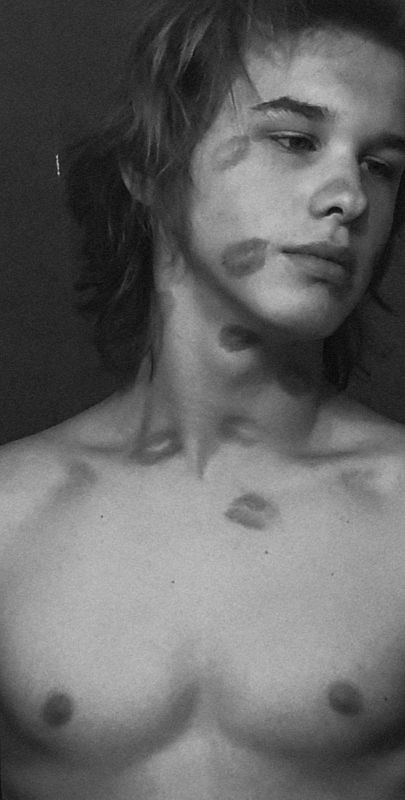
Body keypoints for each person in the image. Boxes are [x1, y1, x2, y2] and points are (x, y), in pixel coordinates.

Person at [2, 0, 405, 796]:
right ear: (150, 166)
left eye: (380, 165)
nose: (348, 197)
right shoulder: (11, 516)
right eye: (294, 140)